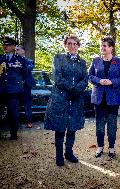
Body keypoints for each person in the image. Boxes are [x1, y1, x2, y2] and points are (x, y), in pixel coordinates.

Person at [44, 35, 88, 166]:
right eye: (69, 43)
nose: (72, 46)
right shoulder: (58, 58)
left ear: (78, 46)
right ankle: (59, 156)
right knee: (60, 127)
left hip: (76, 99)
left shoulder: (82, 62)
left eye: (75, 44)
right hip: (61, 98)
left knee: (72, 127)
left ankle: (68, 152)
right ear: (65, 45)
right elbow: (57, 77)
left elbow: (85, 79)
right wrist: (72, 88)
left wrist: (77, 89)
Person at [89, 36, 120, 159]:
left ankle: (111, 148)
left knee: (111, 125)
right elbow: (90, 76)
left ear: (111, 47)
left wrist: (111, 82)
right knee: (99, 125)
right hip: (98, 98)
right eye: (101, 45)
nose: (102, 48)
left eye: (105, 46)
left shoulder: (119, 61)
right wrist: (99, 80)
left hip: (113, 99)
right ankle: (100, 147)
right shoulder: (95, 61)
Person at [0, 37, 27, 140]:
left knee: (13, 114)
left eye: (7, 45)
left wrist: (17, 85)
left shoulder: (20, 59)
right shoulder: (1, 58)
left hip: (14, 91)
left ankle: (13, 134)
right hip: (1, 90)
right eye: (4, 45)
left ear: (13, 46)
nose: (5, 46)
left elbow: (24, 74)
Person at [15, 45, 36, 128]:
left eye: (18, 50)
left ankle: (29, 122)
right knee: (15, 105)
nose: (16, 51)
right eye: (15, 50)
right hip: (15, 86)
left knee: (27, 105)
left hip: (26, 86)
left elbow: (28, 69)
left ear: (23, 51)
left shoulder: (30, 61)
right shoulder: (12, 61)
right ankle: (15, 124)